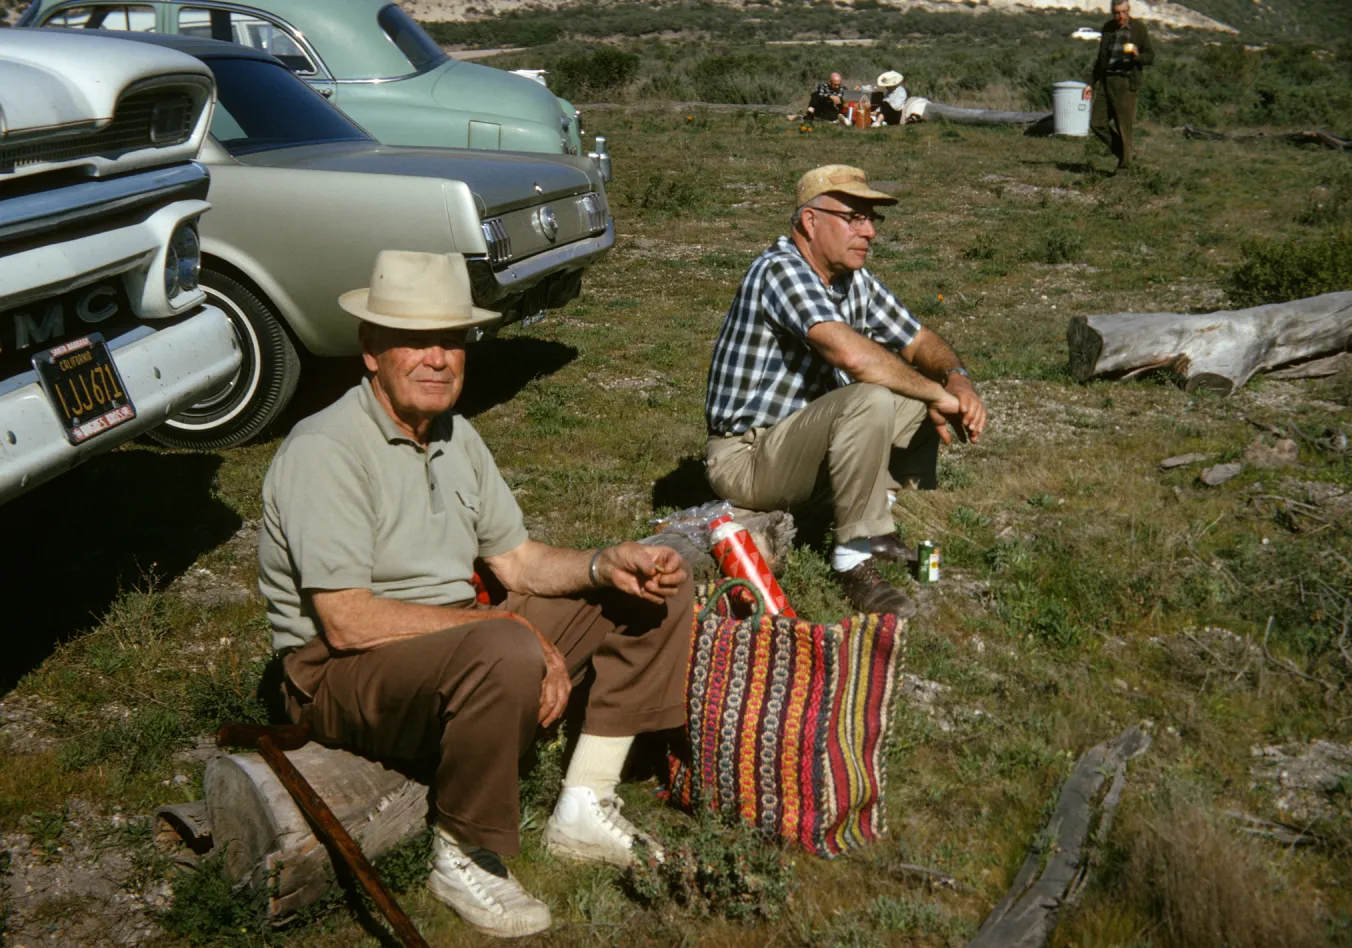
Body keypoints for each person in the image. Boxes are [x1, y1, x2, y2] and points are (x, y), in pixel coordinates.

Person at [258, 250, 693, 939]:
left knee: (656, 584)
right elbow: (343, 620)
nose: (437, 359)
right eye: (414, 340)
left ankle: (585, 799)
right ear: (371, 351)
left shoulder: (454, 434)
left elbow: (517, 561)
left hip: (453, 637)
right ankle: (462, 850)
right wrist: (511, 635)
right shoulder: (326, 450)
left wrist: (605, 563)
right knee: (500, 645)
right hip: (336, 671)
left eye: (451, 341)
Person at [703, 166, 987, 618]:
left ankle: (874, 527)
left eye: (872, 219)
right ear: (810, 222)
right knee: (872, 396)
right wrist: (938, 396)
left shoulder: (851, 280)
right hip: (746, 458)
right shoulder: (781, 270)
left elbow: (918, 339)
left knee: (915, 394)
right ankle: (851, 560)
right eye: (854, 218)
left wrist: (954, 378)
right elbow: (850, 356)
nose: (869, 231)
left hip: (792, 442)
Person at [1090, 0, 1155, 171]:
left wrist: (1137, 55)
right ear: (1112, 12)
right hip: (1107, 81)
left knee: (1124, 127)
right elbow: (1100, 58)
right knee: (1097, 123)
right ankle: (1125, 153)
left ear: (1129, 10)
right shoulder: (1108, 28)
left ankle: (1125, 168)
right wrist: (1090, 83)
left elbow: (1150, 56)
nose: (1121, 16)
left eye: (1124, 12)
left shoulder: (1138, 29)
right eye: (1117, 13)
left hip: (1126, 82)